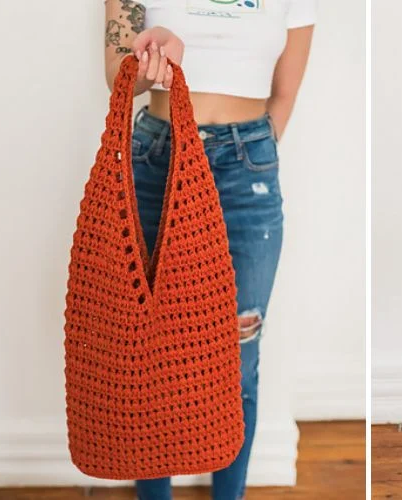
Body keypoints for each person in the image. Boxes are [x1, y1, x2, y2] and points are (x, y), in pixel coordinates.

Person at [103, 1, 315, 498]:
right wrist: (148, 54)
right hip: (158, 154)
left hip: (249, 168)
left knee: (240, 351)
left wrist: (248, 154)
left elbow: (283, 94)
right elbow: (116, 77)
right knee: (150, 347)